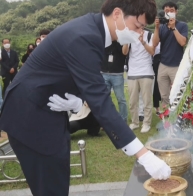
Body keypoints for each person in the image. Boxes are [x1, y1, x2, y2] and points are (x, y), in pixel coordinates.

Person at [0, 0, 170, 195]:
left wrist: (78, 102)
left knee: (57, 179)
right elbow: (101, 101)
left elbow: (80, 77)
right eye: (138, 26)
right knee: (50, 187)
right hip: (30, 117)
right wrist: (143, 155)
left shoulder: (94, 31)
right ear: (117, 14)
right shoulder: (84, 36)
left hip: (48, 113)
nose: (140, 33)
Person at [152, 2, 188, 108]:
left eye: (171, 10)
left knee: (178, 94)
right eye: (166, 11)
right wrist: (157, 28)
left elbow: (182, 42)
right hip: (163, 64)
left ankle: (179, 118)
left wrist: (173, 28)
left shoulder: (182, 25)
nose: (169, 13)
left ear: (176, 11)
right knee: (164, 95)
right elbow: (154, 43)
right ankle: (166, 121)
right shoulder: (162, 26)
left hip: (177, 65)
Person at [101, 41, 129, 122]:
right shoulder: (105, 38)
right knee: (105, 99)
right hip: (104, 72)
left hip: (117, 74)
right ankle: (107, 120)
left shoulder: (122, 39)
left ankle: (123, 119)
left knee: (121, 99)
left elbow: (125, 53)